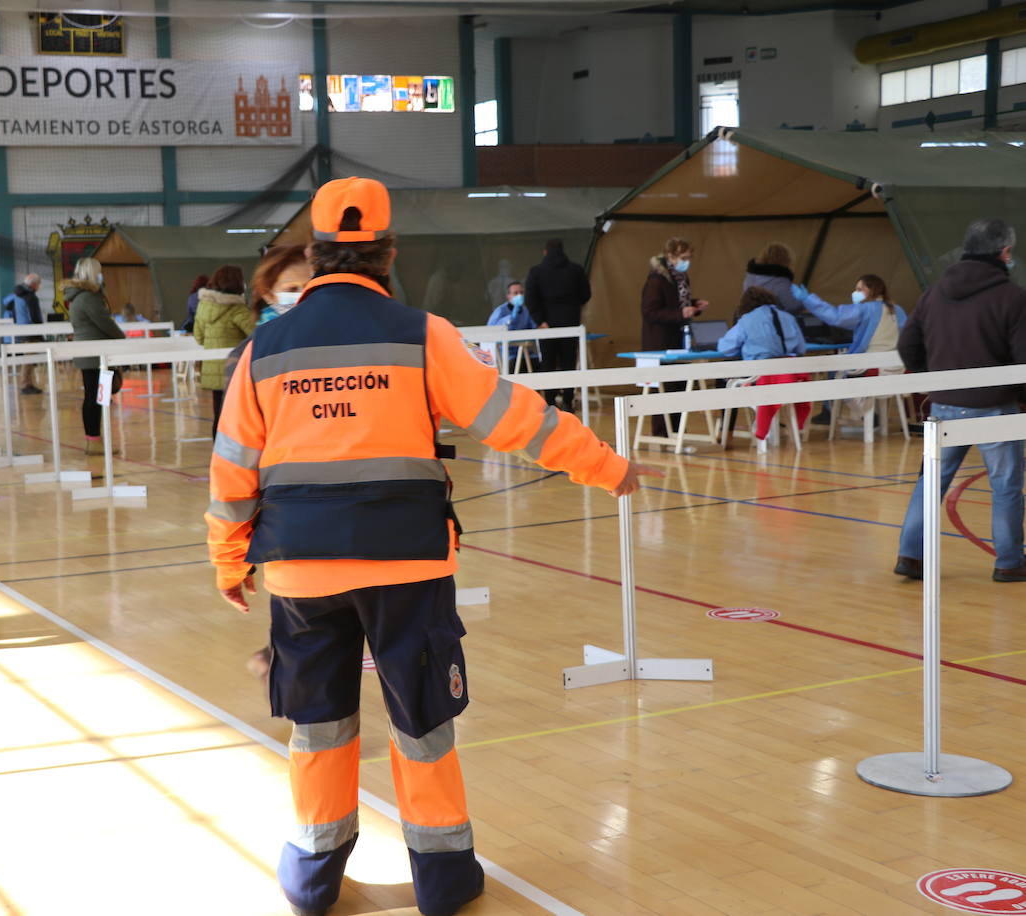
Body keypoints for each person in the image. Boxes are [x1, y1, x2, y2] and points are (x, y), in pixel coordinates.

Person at [206, 177, 660, 916]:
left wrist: (229, 559)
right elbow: (517, 419)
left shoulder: (264, 348)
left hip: (299, 568)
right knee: (420, 723)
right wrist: (608, 467)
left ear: (315, 255)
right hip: (407, 564)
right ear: (387, 251)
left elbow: (231, 471)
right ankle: (443, 882)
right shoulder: (423, 334)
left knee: (317, 727)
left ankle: (312, 879)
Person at [894, 217, 1026, 583]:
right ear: (1005, 252)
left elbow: (908, 345)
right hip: (995, 406)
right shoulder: (1013, 297)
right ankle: (1010, 562)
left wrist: (933, 380)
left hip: (944, 405)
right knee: (1005, 486)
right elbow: (1024, 356)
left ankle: (910, 555)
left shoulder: (933, 293)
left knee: (930, 481)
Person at [795, 274, 907, 422]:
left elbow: (836, 316)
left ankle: (858, 414)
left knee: (835, 372)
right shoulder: (897, 310)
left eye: (860, 289)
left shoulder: (866, 309)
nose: (855, 292)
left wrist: (808, 299)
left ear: (871, 290)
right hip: (895, 368)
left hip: (870, 366)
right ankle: (865, 414)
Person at [716, 287, 808, 447]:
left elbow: (725, 348)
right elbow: (801, 349)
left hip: (761, 379)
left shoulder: (746, 320)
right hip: (789, 380)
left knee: (723, 379)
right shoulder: (788, 317)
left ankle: (726, 433)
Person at [640, 237, 710, 437]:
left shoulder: (680, 277)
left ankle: (678, 431)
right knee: (664, 388)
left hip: (679, 339)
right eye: (684, 257)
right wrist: (681, 314)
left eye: (689, 257)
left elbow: (677, 303)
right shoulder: (656, 280)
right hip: (660, 342)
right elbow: (650, 312)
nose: (687, 261)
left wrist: (694, 306)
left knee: (679, 386)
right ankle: (663, 433)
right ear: (670, 256)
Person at [67, 256, 125, 456]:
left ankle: (94, 440)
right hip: (97, 356)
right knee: (98, 398)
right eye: (99, 271)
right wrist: (122, 338)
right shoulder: (90, 298)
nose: (102, 275)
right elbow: (105, 323)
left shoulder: (78, 297)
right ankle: (95, 440)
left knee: (93, 397)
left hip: (88, 354)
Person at [525, 239, 591, 412]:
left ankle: (550, 401)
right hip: (570, 323)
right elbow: (586, 294)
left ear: (545, 252)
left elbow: (530, 299)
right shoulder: (576, 270)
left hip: (547, 326)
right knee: (569, 362)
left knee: (548, 363)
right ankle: (568, 400)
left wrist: (540, 320)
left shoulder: (536, 272)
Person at [192, 265, 253, 438]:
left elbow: (199, 338)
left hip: (212, 370)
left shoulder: (203, 307)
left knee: (218, 415)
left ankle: (217, 456)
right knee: (234, 416)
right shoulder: (238, 309)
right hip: (234, 370)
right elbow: (255, 334)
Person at [251, 244, 310, 326]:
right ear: (268, 295)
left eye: (311, 286)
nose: (305, 294)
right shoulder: (267, 336)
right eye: (292, 289)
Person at [740, 242, 806, 314]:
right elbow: (792, 306)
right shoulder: (780, 281)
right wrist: (804, 300)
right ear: (786, 259)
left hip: (749, 319)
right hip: (771, 321)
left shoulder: (750, 277)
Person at [6, 273, 44, 394]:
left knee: (27, 358)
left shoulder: (17, 295)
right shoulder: (30, 297)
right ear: (34, 285)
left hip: (20, 330)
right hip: (30, 331)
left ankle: (29, 383)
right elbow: (35, 315)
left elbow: (11, 311)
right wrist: (40, 330)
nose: (39, 286)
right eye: (38, 284)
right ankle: (26, 385)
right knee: (29, 359)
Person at [488, 280, 536, 369]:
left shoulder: (526, 311)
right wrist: (511, 318)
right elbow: (491, 330)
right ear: (508, 296)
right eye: (515, 293)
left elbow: (533, 328)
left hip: (525, 352)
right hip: (506, 355)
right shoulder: (501, 311)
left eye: (521, 293)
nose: (519, 295)